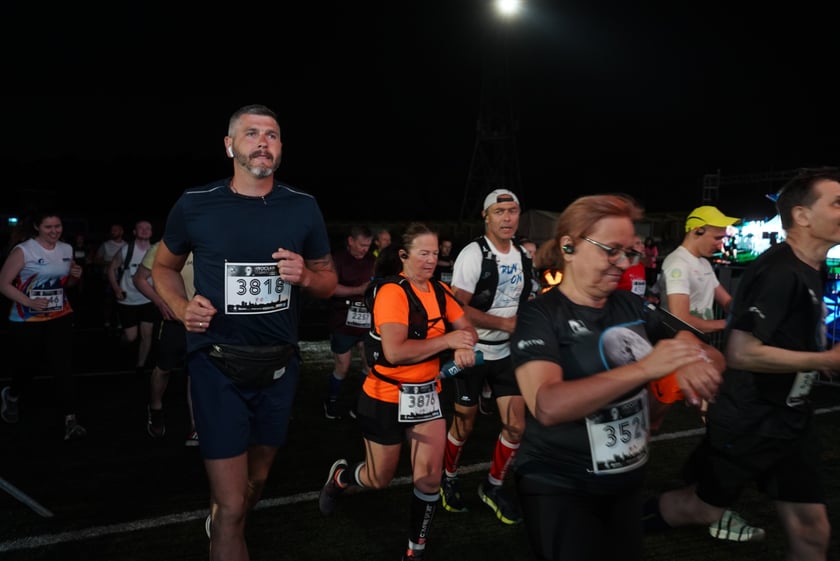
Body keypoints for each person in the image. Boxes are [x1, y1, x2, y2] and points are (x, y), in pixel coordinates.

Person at [151, 103, 337, 561]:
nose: (263, 142)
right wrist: (181, 307)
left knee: (255, 484)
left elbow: (328, 280)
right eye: (251, 133)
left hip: (279, 367)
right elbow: (164, 267)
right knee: (233, 507)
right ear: (229, 145)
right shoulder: (196, 203)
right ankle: (224, 521)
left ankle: (223, 518)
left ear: (281, 148)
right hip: (217, 366)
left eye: (271, 135)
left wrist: (305, 277)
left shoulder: (303, 206)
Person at [509, 194, 724, 561]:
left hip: (625, 481)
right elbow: (547, 405)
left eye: (629, 253)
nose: (623, 264)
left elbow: (705, 348)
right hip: (561, 485)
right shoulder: (540, 315)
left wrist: (692, 358)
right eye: (612, 251)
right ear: (569, 246)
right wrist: (646, 368)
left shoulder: (632, 305)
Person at [647, 167, 840, 560]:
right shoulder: (776, 270)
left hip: (788, 417)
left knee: (812, 533)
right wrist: (824, 357)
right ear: (802, 215)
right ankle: (607, 521)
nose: (723, 239)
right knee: (695, 502)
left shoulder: (811, 269)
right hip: (750, 417)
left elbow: (738, 309)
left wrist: (812, 355)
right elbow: (738, 348)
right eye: (837, 203)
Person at [318, 223, 479, 561]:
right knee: (378, 478)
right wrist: (449, 341)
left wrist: (465, 344)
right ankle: (342, 477)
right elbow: (395, 352)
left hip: (428, 396)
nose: (431, 260)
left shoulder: (440, 291)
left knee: (429, 480)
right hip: (385, 397)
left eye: (434, 253)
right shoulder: (393, 292)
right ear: (404, 255)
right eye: (424, 253)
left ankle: (414, 551)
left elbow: (466, 328)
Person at [440, 188, 535, 525]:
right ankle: (448, 477)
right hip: (474, 352)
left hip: (507, 353)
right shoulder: (473, 254)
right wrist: (504, 324)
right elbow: (456, 306)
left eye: (513, 211)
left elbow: (523, 300)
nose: (507, 218)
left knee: (516, 426)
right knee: (463, 424)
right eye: (499, 212)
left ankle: (493, 486)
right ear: (486, 216)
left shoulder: (523, 255)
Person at [0, 210, 88, 440]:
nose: (54, 231)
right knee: (27, 366)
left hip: (60, 315)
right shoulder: (24, 250)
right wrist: (29, 302)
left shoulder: (66, 249)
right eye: (48, 227)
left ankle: (71, 420)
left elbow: (67, 284)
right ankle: (12, 395)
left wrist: (76, 275)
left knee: (63, 366)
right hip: (27, 318)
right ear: (37, 227)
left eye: (57, 226)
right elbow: (3, 284)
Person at [133, 241, 198, 445]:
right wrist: (160, 301)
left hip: (200, 320)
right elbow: (139, 279)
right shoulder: (163, 247)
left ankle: (195, 426)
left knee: (196, 372)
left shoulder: (207, 241)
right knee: (164, 369)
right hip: (173, 321)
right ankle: (155, 407)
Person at [322, 225, 375, 420]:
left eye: (368, 246)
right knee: (342, 367)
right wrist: (358, 290)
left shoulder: (372, 261)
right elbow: (330, 288)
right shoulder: (337, 260)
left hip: (366, 322)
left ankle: (360, 404)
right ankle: (331, 400)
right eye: (361, 245)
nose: (365, 250)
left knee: (369, 365)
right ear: (351, 241)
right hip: (342, 322)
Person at [108, 219, 157, 376]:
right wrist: (116, 288)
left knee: (147, 335)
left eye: (148, 227)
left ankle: (140, 365)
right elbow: (111, 269)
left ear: (151, 232)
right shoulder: (126, 250)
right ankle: (121, 344)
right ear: (134, 232)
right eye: (141, 228)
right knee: (131, 337)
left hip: (148, 299)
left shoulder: (157, 251)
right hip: (128, 300)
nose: (144, 230)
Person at [93, 223, 127, 330]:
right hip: (108, 278)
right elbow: (96, 260)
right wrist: (111, 263)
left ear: (121, 232)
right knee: (108, 301)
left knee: (122, 300)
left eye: (115, 230)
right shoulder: (106, 245)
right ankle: (107, 322)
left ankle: (120, 322)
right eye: (112, 230)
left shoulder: (127, 245)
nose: (113, 232)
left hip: (123, 278)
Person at [617, 234, 647, 299]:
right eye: (637, 243)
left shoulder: (641, 266)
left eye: (642, 243)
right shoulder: (621, 265)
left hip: (637, 303)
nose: (642, 246)